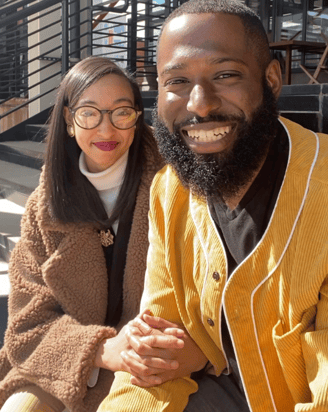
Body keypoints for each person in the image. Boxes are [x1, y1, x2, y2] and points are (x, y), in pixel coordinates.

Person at [97, 1, 328, 411]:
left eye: (225, 75)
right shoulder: (170, 192)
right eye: (178, 81)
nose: (200, 104)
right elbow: (156, 358)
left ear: (271, 80)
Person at [0, 56, 204, 412]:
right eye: (89, 113)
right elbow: (26, 326)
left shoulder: (176, 184)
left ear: (139, 117)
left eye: (121, 112)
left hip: (153, 363)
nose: (106, 131)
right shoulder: (43, 207)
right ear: (68, 120)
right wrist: (102, 349)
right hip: (66, 364)